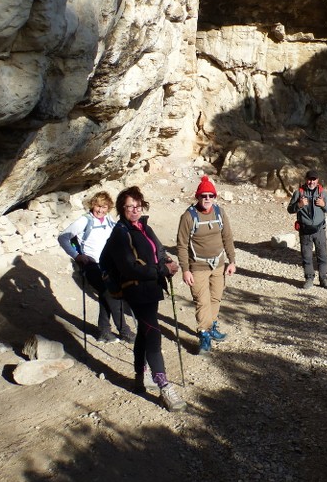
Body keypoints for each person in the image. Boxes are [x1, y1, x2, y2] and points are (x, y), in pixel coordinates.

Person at [99, 186, 186, 411]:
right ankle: (164, 386)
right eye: (130, 207)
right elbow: (129, 268)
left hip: (150, 288)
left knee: (145, 333)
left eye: (138, 205)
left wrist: (166, 261)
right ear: (121, 209)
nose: (135, 210)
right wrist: (161, 271)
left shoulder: (143, 226)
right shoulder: (121, 233)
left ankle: (140, 377)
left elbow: (157, 250)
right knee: (153, 333)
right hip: (136, 290)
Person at [58, 190, 135, 343]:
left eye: (104, 207)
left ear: (109, 208)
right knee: (110, 293)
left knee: (106, 295)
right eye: (98, 206)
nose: (100, 210)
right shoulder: (85, 221)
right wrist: (77, 256)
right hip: (92, 265)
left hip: (109, 265)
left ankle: (103, 332)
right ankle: (124, 331)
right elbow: (63, 237)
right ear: (93, 205)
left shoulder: (108, 219)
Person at [176, 176, 236, 355]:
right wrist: (185, 270)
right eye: (204, 195)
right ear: (198, 196)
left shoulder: (219, 212)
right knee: (202, 302)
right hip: (198, 266)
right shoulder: (188, 217)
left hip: (218, 264)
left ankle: (212, 326)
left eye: (211, 195)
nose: (207, 198)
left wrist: (232, 260)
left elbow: (227, 237)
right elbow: (182, 244)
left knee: (215, 298)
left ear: (214, 196)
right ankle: (204, 334)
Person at [287, 169, 327, 290]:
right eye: (309, 179)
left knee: (322, 255)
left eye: (313, 179)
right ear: (306, 179)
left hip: (319, 230)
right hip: (305, 231)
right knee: (306, 256)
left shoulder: (322, 193)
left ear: (317, 180)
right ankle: (309, 278)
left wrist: (323, 204)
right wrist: (299, 205)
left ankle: (324, 279)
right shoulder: (299, 193)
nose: (311, 182)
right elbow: (290, 209)